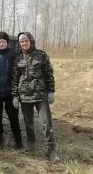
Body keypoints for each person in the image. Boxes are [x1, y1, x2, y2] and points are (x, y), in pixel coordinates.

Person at [11, 32, 60, 162]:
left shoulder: (41, 56)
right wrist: (15, 95)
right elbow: (15, 78)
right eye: (21, 41)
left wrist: (51, 91)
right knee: (28, 123)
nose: (24, 43)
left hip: (40, 95)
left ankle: (52, 150)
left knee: (46, 123)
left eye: (26, 40)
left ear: (31, 41)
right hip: (25, 96)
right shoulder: (18, 58)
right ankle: (31, 144)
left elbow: (49, 74)